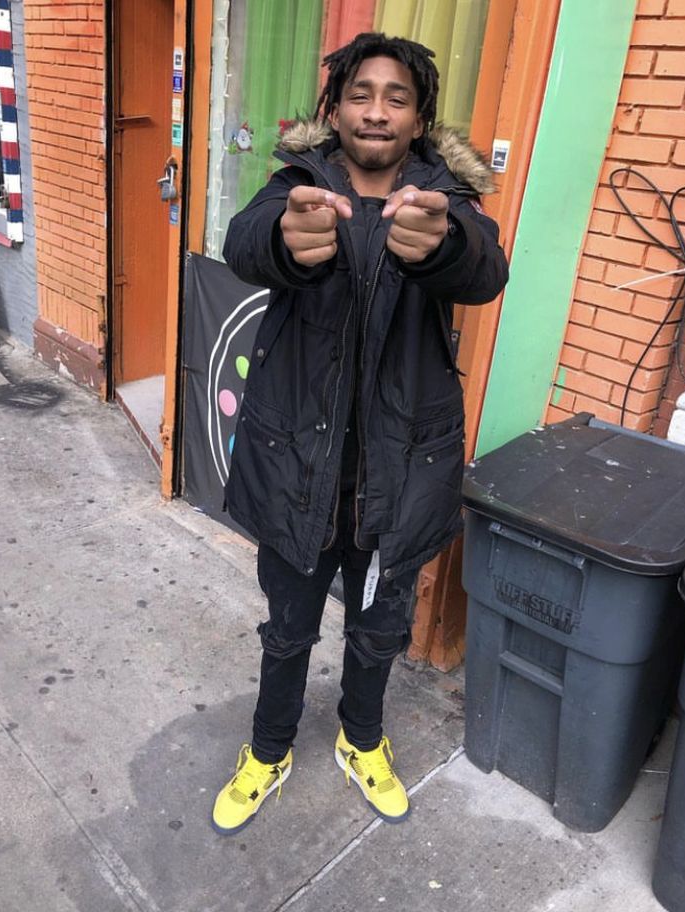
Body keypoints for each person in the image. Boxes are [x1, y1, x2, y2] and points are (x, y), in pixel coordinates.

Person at [212, 32, 508, 835]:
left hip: (399, 476)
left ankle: (361, 739)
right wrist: (284, 242)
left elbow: (485, 269)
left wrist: (445, 246)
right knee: (287, 629)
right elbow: (245, 241)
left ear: (418, 120)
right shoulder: (294, 185)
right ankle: (268, 749)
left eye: (397, 97)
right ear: (334, 109)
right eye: (360, 94)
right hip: (296, 469)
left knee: (379, 630)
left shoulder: (445, 199)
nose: (376, 110)